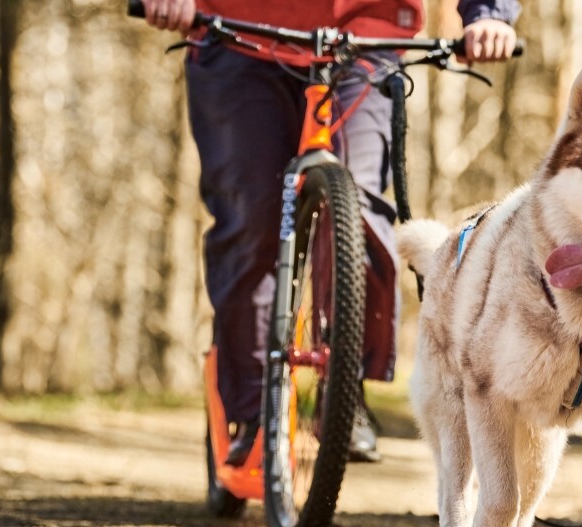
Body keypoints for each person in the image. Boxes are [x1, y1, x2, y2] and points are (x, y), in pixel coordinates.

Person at [140, 0, 520, 464]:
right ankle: (253, 410)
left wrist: (488, 13)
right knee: (252, 221)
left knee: (356, 203)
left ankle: (343, 388)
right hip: (236, 32)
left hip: (367, 34)